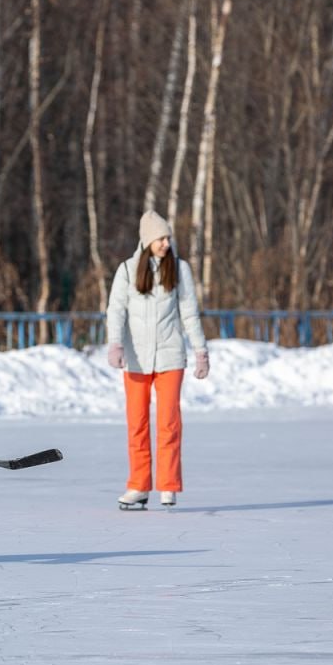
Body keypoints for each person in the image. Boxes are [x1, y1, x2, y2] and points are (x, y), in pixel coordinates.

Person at [104, 211, 209, 509]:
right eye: (161, 238)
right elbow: (116, 310)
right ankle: (138, 485)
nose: (166, 243)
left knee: (168, 423)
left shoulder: (180, 269)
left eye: (168, 238)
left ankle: (168, 484)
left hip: (170, 356)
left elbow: (189, 313)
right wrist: (115, 344)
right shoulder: (126, 270)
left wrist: (201, 351)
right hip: (136, 359)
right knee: (136, 424)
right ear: (147, 239)